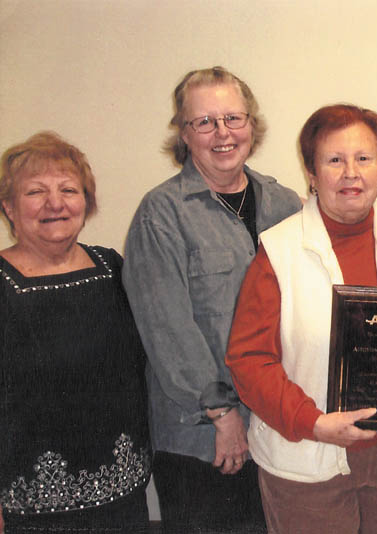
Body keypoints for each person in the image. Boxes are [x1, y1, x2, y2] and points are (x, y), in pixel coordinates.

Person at [226, 104, 377, 534]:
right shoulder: (279, 251)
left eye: (364, 158)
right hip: (306, 459)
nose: (350, 173)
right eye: (334, 160)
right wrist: (314, 422)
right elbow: (249, 361)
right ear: (311, 172)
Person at [122, 66, 301, 531]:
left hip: (273, 428)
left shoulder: (285, 205)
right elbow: (166, 328)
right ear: (184, 134)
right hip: (202, 437)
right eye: (204, 122)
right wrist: (222, 415)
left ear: (251, 125)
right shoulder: (160, 213)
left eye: (233, 118)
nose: (222, 133)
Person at [0, 132, 151, 532]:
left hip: (125, 498)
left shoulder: (113, 268)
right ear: (9, 208)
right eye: (35, 192)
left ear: (86, 203)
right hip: (32, 512)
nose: (55, 203)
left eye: (68, 189)